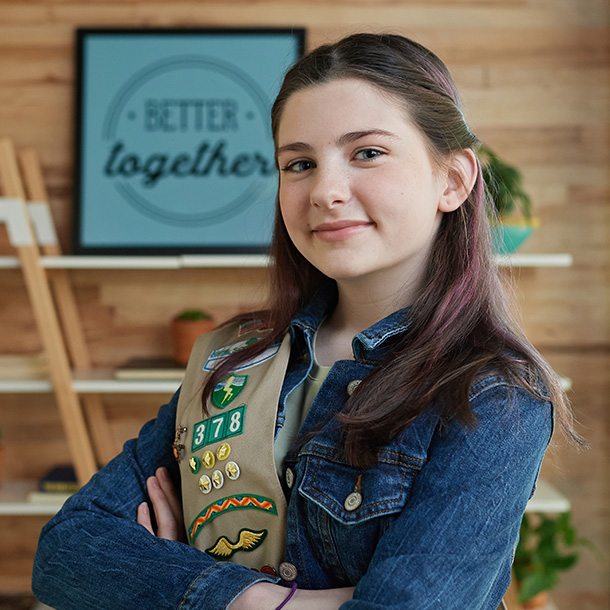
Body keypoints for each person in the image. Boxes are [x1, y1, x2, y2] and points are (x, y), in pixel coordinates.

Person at [32, 33, 576, 610]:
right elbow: (65, 552)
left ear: (454, 180)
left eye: (367, 152)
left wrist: (170, 583)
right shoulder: (234, 355)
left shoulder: (492, 393)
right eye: (300, 163)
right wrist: (271, 601)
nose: (325, 191)